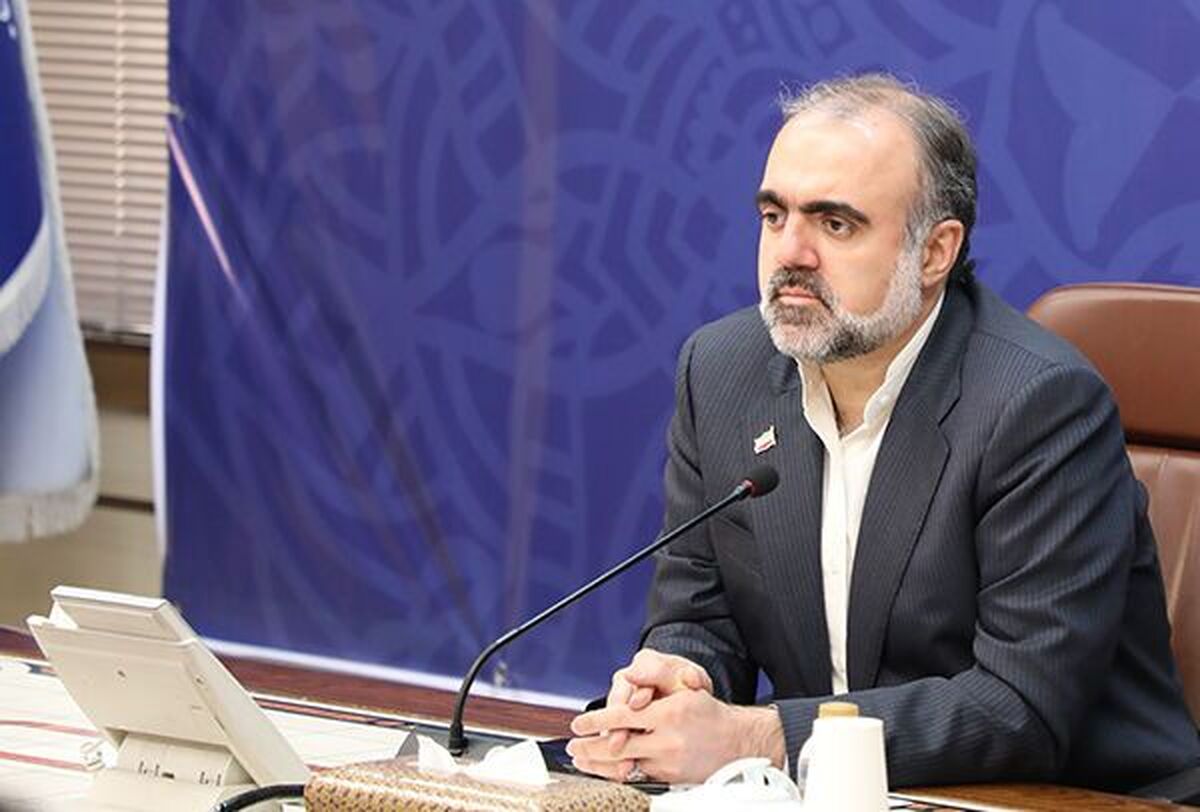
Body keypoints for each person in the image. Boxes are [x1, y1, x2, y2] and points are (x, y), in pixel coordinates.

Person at [566, 73, 1200, 792]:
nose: (791, 253)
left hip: (1068, 799)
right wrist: (683, 679)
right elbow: (699, 614)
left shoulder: (1037, 405)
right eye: (774, 215)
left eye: (835, 224)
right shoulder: (720, 372)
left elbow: (1020, 709)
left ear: (935, 252)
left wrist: (760, 737)